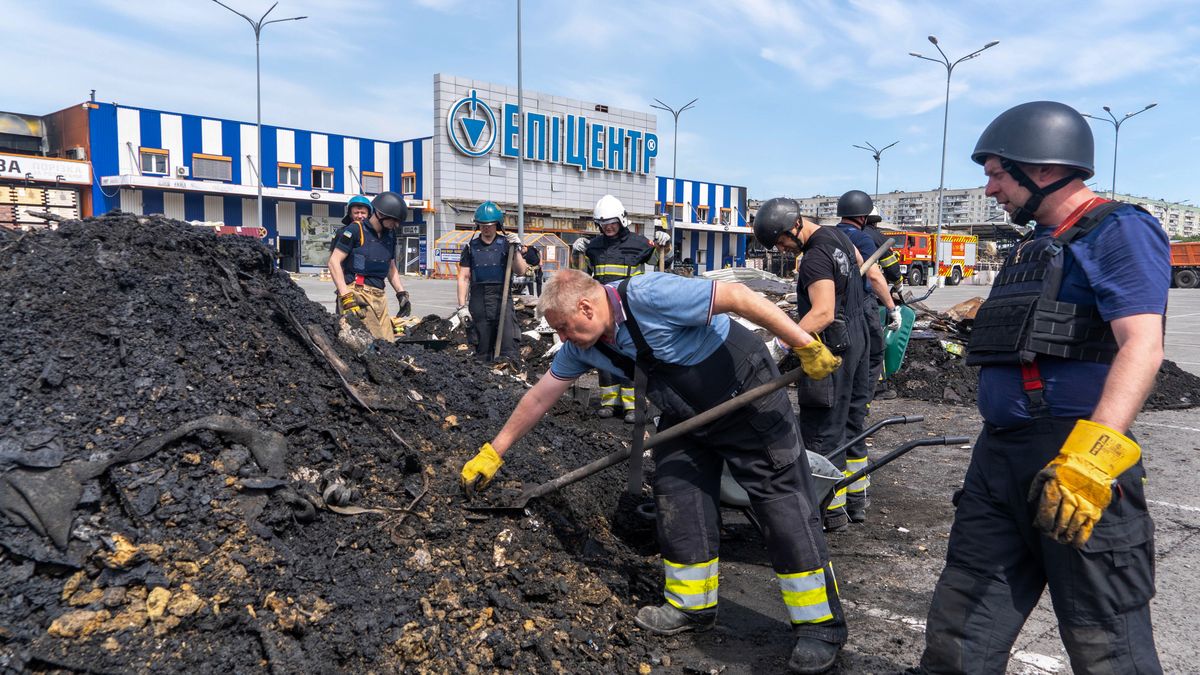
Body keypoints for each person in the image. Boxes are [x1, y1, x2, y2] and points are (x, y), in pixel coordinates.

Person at [461, 268, 849, 674]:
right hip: (685, 413)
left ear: (586, 307)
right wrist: (494, 451)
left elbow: (738, 297)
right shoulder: (582, 347)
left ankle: (819, 626)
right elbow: (540, 396)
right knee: (677, 494)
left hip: (744, 394)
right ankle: (692, 606)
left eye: (563, 328)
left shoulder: (649, 295)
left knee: (781, 504)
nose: (561, 338)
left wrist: (803, 343)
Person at [921, 101, 1169, 674]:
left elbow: (1143, 345)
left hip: (1076, 456)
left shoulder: (1118, 229)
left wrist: (1093, 458)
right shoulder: (1036, 243)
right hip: (1000, 457)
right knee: (961, 626)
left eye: (997, 173)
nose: (989, 189)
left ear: (1044, 168)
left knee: (1106, 640)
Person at [754, 198, 871, 533]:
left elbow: (822, 313)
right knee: (851, 424)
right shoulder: (839, 238)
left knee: (821, 433)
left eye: (780, 241)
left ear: (794, 225)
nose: (782, 248)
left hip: (833, 350)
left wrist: (782, 342)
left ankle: (827, 513)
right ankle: (855, 503)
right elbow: (861, 263)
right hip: (857, 340)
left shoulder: (815, 258)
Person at [832, 190, 904, 523]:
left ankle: (836, 506)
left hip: (832, 321)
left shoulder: (827, 236)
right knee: (856, 407)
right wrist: (892, 306)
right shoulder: (864, 238)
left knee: (837, 411)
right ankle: (856, 501)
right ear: (864, 216)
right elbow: (878, 273)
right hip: (861, 317)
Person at [570, 195, 671, 423]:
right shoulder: (593, 247)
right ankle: (609, 402)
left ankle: (633, 405)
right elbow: (582, 275)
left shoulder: (639, 243)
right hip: (602, 311)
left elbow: (664, 260)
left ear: (622, 220)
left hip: (630, 309)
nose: (608, 228)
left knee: (631, 356)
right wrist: (577, 252)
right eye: (604, 225)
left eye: (612, 224)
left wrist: (666, 243)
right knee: (606, 355)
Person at [327, 192, 411, 342]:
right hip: (357, 293)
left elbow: (391, 267)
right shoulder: (354, 230)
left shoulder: (390, 235)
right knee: (373, 344)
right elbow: (334, 262)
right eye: (394, 220)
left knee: (388, 343)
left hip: (379, 295)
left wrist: (401, 293)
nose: (396, 225)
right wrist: (345, 295)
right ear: (380, 214)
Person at [455, 201, 528, 362]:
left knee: (508, 346)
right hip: (478, 301)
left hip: (502, 298)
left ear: (497, 225)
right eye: (482, 225)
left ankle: (508, 378)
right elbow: (464, 277)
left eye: (489, 225)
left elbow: (521, 270)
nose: (486, 228)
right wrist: (462, 307)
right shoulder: (470, 247)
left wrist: (516, 249)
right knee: (481, 348)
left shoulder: (507, 244)